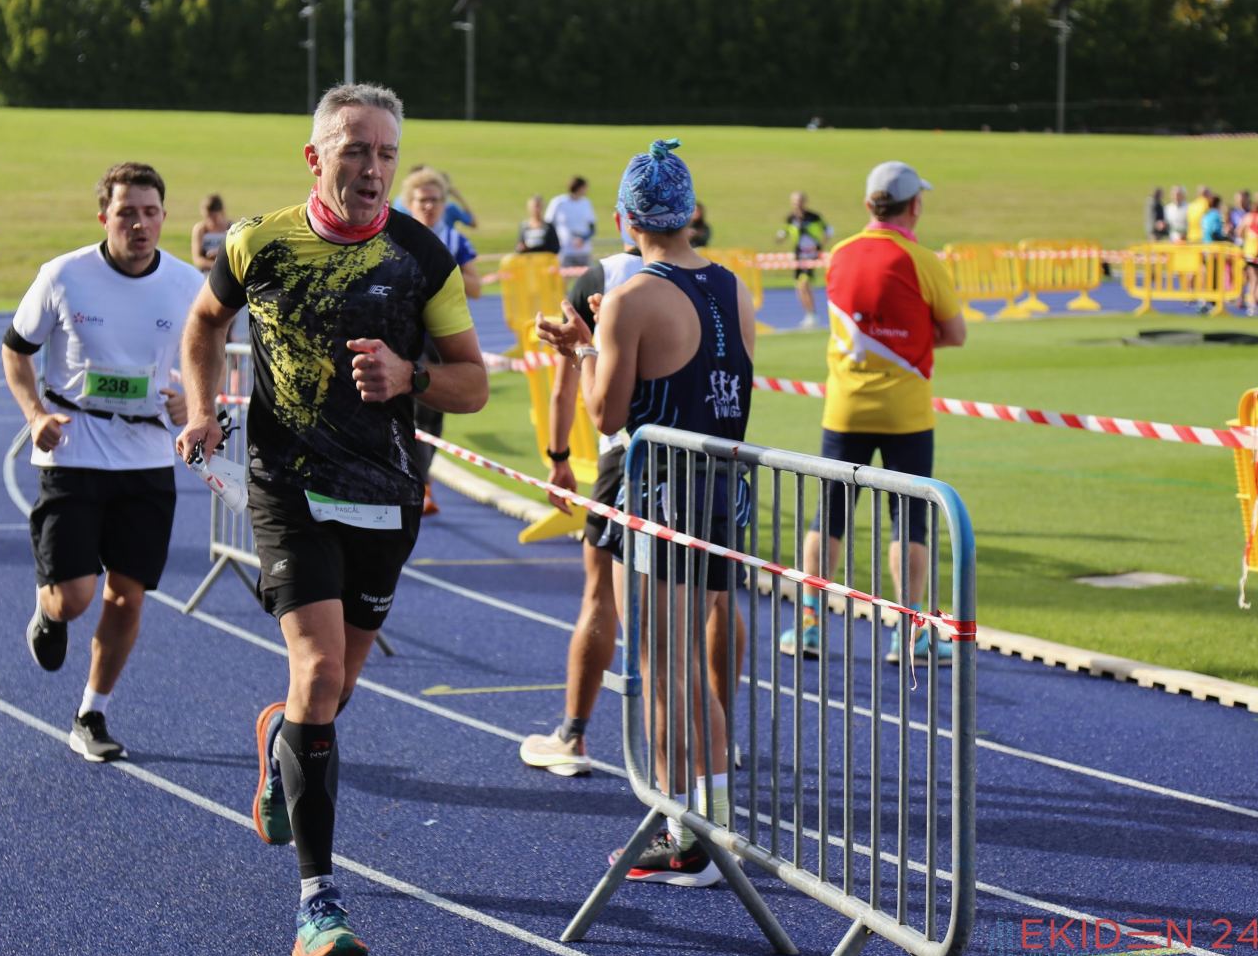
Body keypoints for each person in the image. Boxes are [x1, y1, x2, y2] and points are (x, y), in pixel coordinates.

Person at [176, 83, 486, 956]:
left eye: (386, 153)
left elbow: (472, 382)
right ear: (316, 157)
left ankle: (283, 734)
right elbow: (204, 324)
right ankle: (318, 902)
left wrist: (409, 375)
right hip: (289, 486)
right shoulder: (257, 243)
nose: (373, 168)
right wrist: (201, 407)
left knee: (332, 690)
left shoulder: (422, 256)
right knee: (317, 670)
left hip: (386, 495)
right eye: (355, 150)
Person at [537, 139, 756, 889]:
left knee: (664, 669)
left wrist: (583, 349)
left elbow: (607, 415)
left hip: (662, 496)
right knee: (689, 666)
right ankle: (714, 825)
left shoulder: (631, 297)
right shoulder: (734, 288)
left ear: (626, 221)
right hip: (723, 491)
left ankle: (686, 833)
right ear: (690, 213)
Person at [2, 162, 202, 762]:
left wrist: (196, 402)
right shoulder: (63, 276)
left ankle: (92, 712)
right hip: (74, 448)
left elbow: (217, 357)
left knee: (127, 596)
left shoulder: (189, 285)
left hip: (147, 457)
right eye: (126, 213)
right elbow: (15, 351)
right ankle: (48, 612)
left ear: (164, 217)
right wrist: (35, 414)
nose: (139, 225)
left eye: (149, 212)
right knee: (74, 598)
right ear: (103, 218)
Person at [779, 160, 966, 665]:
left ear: (868, 205)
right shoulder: (923, 261)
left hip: (845, 406)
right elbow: (955, 333)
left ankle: (810, 622)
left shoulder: (839, 255)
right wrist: (909, 342)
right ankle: (908, 633)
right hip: (906, 412)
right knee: (909, 523)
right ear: (915, 206)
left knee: (829, 516)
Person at [403, 167, 483, 515]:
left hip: (441, 339)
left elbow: (477, 288)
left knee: (432, 416)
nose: (429, 206)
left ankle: (423, 482)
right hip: (404, 337)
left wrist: (446, 272)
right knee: (405, 408)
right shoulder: (398, 237)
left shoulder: (454, 241)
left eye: (435, 200)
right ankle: (413, 481)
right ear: (410, 203)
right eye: (422, 200)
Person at [778, 191, 834, 328]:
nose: (797, 204)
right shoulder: (791, 218)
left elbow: (828, 231)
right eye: (795, 202)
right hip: (799, 256)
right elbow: (785, 231)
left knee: (804, 283)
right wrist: (780, 237)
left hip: (811, 255)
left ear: (804, 202)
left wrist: (820, 246)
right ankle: (808, 314)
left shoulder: (814, 217)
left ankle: (812, 314)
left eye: (799, 201)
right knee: (799, 286)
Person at [545, 175, 597, 268]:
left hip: (583, 251)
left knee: (586, 275)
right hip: (564, 250)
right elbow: (548, 224)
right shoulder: (559, 202)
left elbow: (592, 227)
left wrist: (583, 239)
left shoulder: (586, 203)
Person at [190, 194, 231, 272]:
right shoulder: (200, 229)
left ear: (222, 212)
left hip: (226, 272)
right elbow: (197, 260)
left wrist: (220, 254)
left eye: (214, 217)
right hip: (206, 273)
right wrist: (216, 265)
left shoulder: (231, 228)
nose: (210, 221)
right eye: (207, 217)